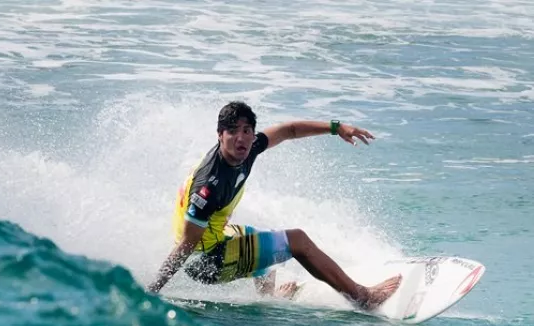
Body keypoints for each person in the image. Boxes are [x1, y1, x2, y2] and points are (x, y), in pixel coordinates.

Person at [147, 101, 401, 311]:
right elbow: (186, 246)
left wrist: (337, 127)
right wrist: (151, 293)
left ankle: (269, 298)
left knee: (259, 238)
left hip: (212, 241)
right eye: (233, 131)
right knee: (297, 241)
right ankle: (363, 297)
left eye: (247, 130)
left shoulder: (248, 148)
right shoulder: (210, 185)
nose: (241, 138)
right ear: (220, 135)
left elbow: (289, 130)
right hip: (203, 261)